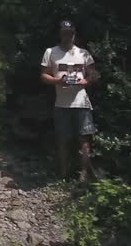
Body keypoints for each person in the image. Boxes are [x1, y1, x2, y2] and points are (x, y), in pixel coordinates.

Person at [40, 19, 99, 181]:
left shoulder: (84, 54)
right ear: (60, 34)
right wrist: (58, 81)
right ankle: (63, 174)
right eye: (65, 33)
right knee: (63, 140)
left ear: (74, 34)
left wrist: (85, 82)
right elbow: (44, 75)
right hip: (61, 104)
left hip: (81, 102)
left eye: (70, 33)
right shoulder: (50, 52)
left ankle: (83, 174)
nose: (68, 36)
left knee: (85, 139)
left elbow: (93, 74)